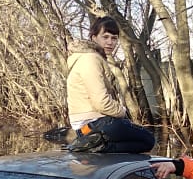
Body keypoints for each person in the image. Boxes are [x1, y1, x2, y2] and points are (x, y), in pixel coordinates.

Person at [65, 16, 156, 153]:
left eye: (114, 38)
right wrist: (122, 111)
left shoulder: (87, 58)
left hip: (87, 124)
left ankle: (97, 146)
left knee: (137, 137)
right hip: (94, 123)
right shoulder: (91, 59)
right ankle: (98, 147)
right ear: (94, 37)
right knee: (148, 140)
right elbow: (101, 103)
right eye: (105, 37)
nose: (110, 42)